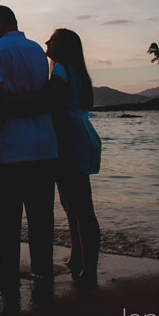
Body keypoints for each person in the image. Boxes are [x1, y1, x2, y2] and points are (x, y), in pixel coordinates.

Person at [0, 6, 58, 303]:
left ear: (1, 22)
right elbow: (43, 96)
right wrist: (28, 102)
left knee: (7, 219)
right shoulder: (35, 50)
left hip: (9, 147)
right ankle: (43, 272)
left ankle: (8, 275)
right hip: (44, 146)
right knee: (41, 216)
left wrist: (5, 104)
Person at [45, 28, 102, 288]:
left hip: (70, 139)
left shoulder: (59, 69)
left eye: (53, 39)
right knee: (73, 205)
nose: (47, 41)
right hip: (81, 134)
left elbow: (49, 103)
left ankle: (88, 268)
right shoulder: (76, 70)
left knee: (79, 207)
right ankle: (77, 257)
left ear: (64, 46)